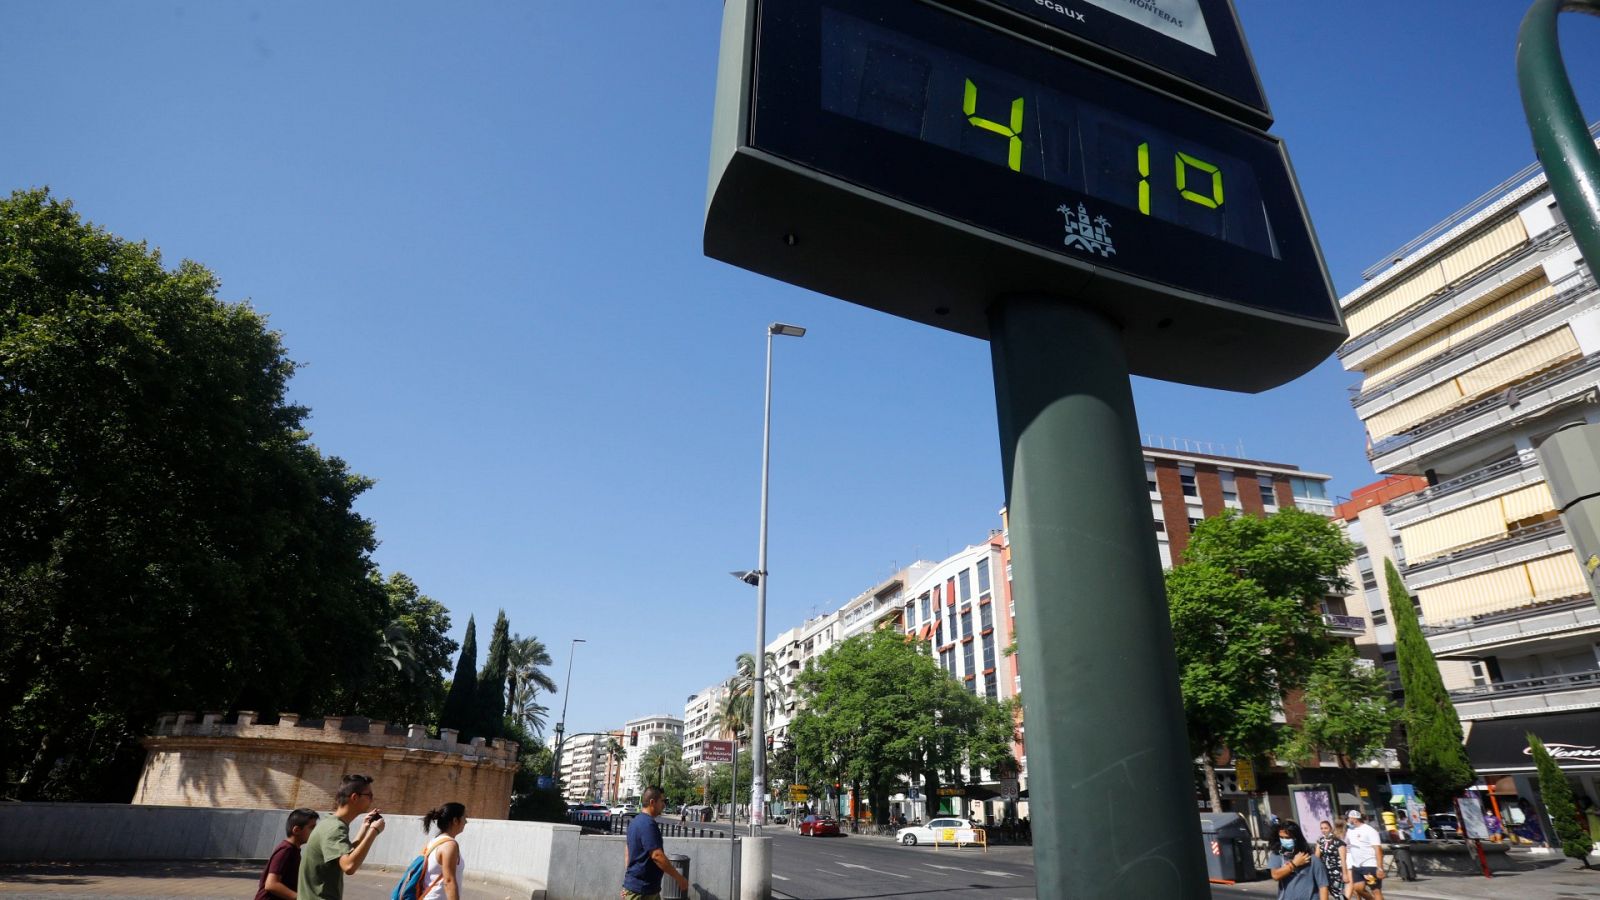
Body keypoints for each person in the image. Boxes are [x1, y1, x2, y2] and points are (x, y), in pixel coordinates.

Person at [299, 774, 386, 900]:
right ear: (355, 797)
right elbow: (349, 865)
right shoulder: (335, 828)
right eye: (369, 796)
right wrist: (374, 831)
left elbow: (346, 853)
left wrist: (365, 827)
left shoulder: (330, 823)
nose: (372, 800)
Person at [622, 785, 689, 900]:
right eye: (662, 801)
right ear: (652, 802)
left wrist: (628, 882)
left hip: (641, 889)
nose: (664, 805)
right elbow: (657, 855)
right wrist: (679, 878)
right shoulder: (647, 824)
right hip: (642, 892)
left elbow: (628, 852)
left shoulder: (635, 822)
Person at [256, 808, 318, 900]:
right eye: (312, 828)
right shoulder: (286, 850)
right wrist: (300, 897)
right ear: (296, 830)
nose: (315, 832)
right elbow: (271, 884)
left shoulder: (294, 850)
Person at [1267, 819, 1329, 900]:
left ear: (1296, 838)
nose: (1284, 840)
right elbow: (1275, 875)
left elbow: (1323, 886)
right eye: (1281, 838)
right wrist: (1294, 864)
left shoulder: (1312, 858)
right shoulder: (1277, 855)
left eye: (1288, 838)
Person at [418, 802, 468, 900]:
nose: (466, 822)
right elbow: (449, 881)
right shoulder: (450, 845)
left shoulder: (435, 841)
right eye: (464, 818)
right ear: (455, 820)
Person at [1342, 809, 1385, 900]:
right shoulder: (1350, 830)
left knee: (1375, 890)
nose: (1346, 821)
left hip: (1369, 865)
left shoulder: (1369, 830)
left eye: (1348, 818)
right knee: (1358, 888)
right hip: (1357, 866)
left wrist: (1380, 868)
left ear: (1354, 818)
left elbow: (1378, 850)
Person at [1313, 819, 1347, 900]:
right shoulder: (1320, 841)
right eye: (1321, 828)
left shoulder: (1338, 842)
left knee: (1338, 893)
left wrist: (1345, 874)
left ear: (1330, 828)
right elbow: (1317, 856)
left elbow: (1343, 860)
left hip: (1337, 872)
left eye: (1325, 828)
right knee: (1330, 891)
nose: (1323, 830)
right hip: (1325, 871)